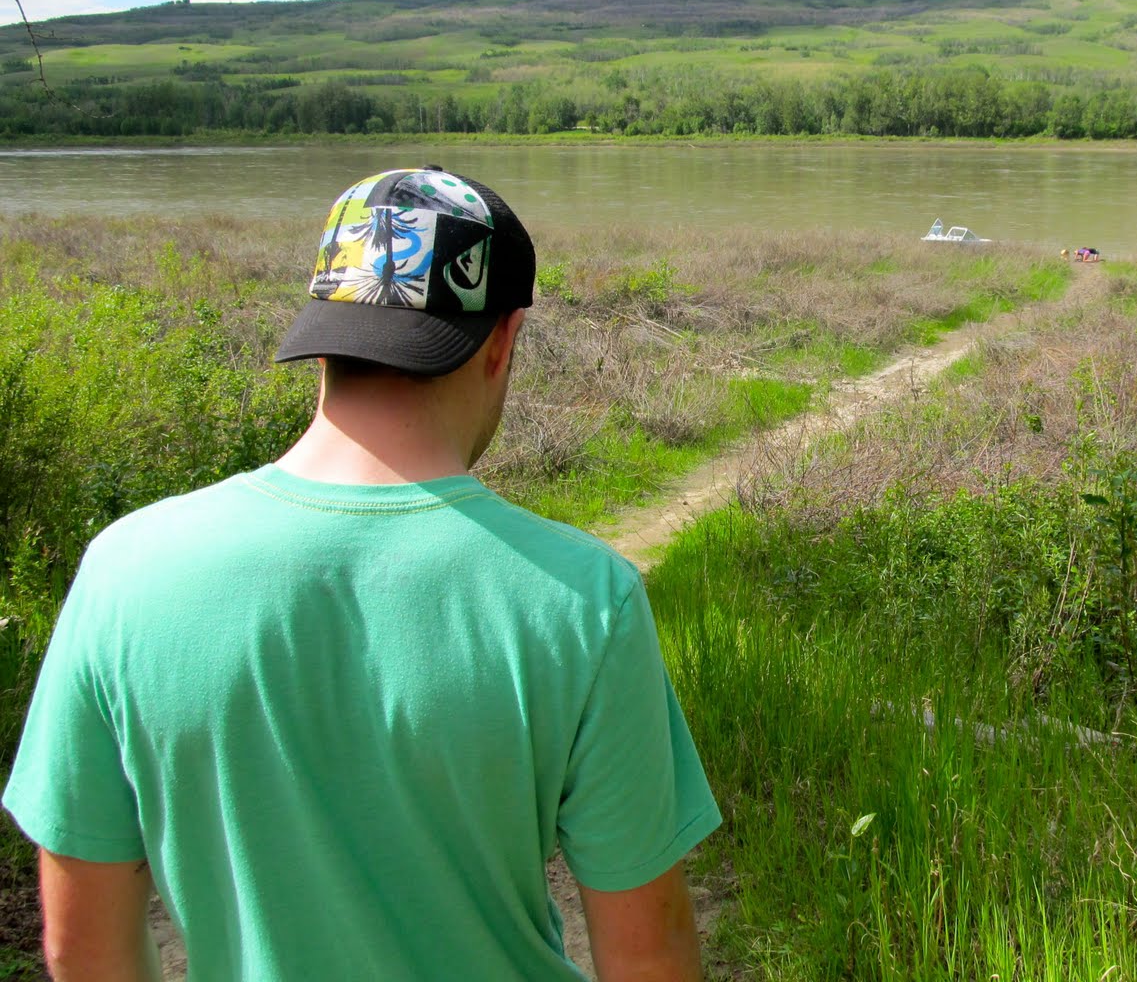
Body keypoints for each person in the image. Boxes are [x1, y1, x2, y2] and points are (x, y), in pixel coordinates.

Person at [3, 167, 721, 981]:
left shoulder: (124, 573)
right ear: (504, 340)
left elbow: (81, 947)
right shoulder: (585, 601)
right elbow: (648, 956)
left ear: (325, 326)